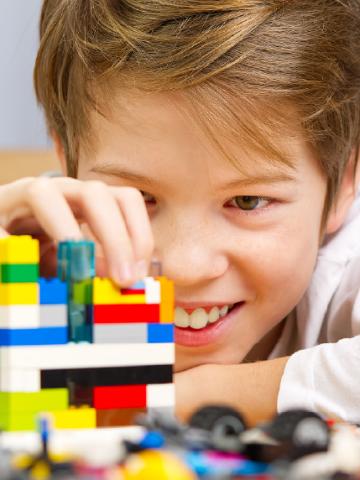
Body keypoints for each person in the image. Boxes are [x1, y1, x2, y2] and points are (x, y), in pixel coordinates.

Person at [1, 0, 360, 425]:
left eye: (247, 202)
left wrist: (187, 396)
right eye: (139, 196)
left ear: (344, 186)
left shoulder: (347, 263)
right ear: (67, 163)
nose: (186, 267)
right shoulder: (42, 244)